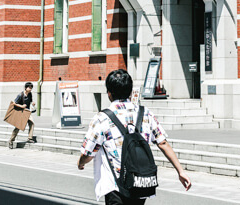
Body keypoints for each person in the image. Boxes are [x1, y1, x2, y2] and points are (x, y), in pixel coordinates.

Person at [77, 69, 191, 205]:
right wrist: (180, 171)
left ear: (109, 93)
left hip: (115, 187)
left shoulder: (102, 118)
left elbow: (88, 152)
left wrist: (81, 163)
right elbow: (163, 143)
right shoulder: (145, 113)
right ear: (130, 92)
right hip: (140, 182)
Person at [8, 81, 36, 149]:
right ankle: (11, 141)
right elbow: (14, 103)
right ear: (26, 88)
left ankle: (30, 138)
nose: (30, 89)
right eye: (29, 87)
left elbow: (31, 101)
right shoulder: (20, 95)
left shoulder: (30, 94)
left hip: (27, 112)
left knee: (31, 123)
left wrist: (32, 103)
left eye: (31, 88)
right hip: (21, 112)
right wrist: (21, 106)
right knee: (18, 127)